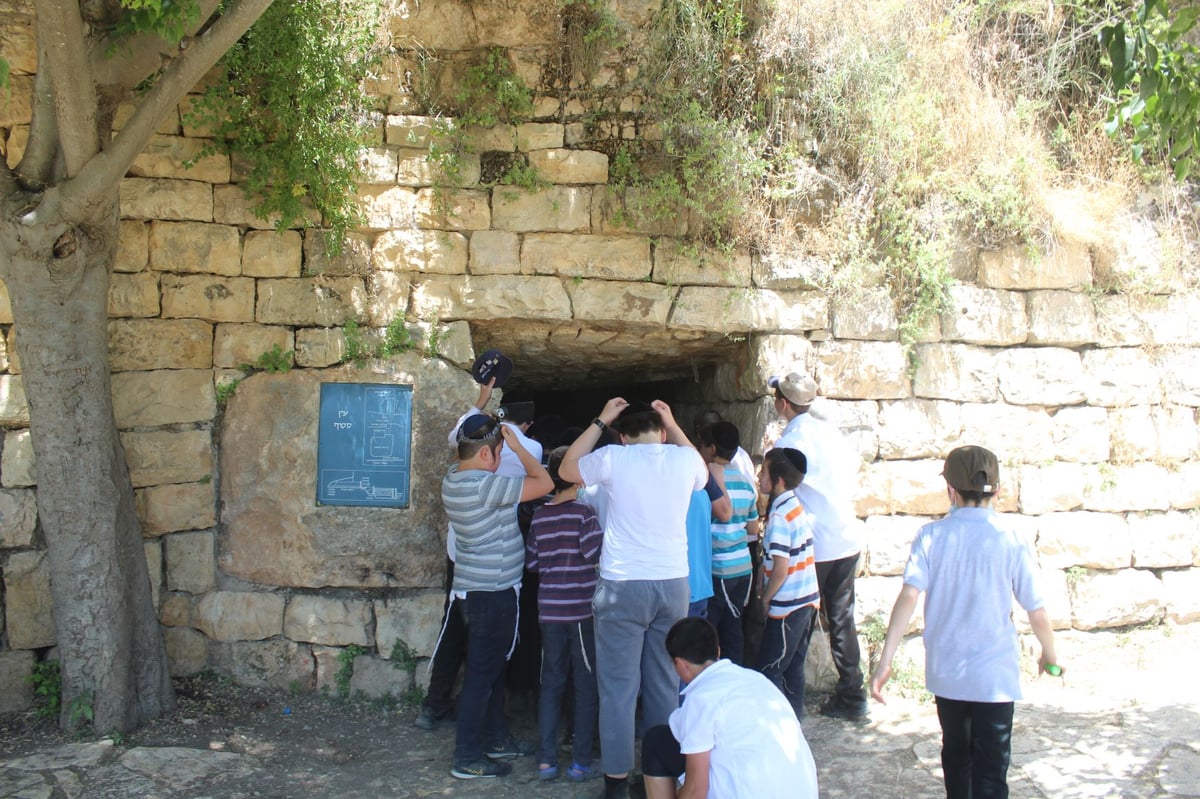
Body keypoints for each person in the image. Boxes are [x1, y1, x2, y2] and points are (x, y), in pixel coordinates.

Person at [870, 445, 1060, 799]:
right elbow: (1036, 608)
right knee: (992, 773)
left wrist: (885, 661)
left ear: (950, 491)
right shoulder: (1011, 539)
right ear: (998, 492)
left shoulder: (931, 536)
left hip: (949, 675)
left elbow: (909, 597)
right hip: (995, 678)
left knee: (956, 760)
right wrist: (1050, 654)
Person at [559, 398, 709, 799]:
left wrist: (600, 419)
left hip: (623, 584)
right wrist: (674, 422)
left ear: (622, 437)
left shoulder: (612, 458)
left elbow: (567, 468)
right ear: (661, 432)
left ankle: (616, 783)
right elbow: (701, 471)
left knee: (618, 690)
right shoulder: (684, 461)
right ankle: (657, 777)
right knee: (663, 684)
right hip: (673, 582)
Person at [416, 379, 544, 732]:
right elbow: (543, 482)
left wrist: (479, 402)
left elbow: (458, 437)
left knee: (453, 632)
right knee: (496, 650)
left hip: (462, 559)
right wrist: (515, 445)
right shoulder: (525, 448)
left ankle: (435, 705)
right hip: (497, 573)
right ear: (527, 424)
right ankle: (503, 711)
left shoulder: (456, 470)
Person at [442, 413, 554, 780]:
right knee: (481, 676)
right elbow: (544, 481)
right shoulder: (485, 487)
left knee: (490, 671)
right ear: (489, 456)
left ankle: (497, 738)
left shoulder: (453, 479)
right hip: (493, 594)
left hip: (475, 590)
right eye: (499, 452)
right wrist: (519, 446)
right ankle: (466, 756)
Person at [770, 371, 868, 720]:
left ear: (783, 403)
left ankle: (785, 691)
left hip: (816, 541)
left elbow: (781, 486)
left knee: (799, 617)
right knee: (841, 617)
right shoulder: (828, 431)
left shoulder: (792, 440)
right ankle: (853, 693)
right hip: (844, 534)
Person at [642, 617, 819, 799]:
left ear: (680, 665)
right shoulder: (756, 679)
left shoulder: (701, 698)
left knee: (655, 741)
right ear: (718, 651)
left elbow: (696, 791)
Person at [525, 446, 603, 783]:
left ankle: (546, 760)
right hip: (581, 611)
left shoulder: (540, 516)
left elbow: (532, 564)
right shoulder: (584, 514)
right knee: (585, 684)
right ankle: (581, 761)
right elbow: (596, 553)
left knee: (552, 682)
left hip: (549, 612)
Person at [756, 447, 820, 720]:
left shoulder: (780, 517)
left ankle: (775, 724)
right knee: (793, 666)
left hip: (787, 606)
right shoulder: (794, 505)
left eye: (764, 471)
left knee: (769, 669)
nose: (759, 476)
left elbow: (780, 569)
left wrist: (765, 598)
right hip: (806, 599)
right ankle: (794, 720)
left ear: (779, 479)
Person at [697, 422, 758, 665]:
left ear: (711, 448)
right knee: (734, 626)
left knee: (712, 632)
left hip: (719, 568)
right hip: (742, 568)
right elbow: (753, 529)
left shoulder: (706, 480)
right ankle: (737, 676)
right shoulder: (745, 481)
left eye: (701, 445)